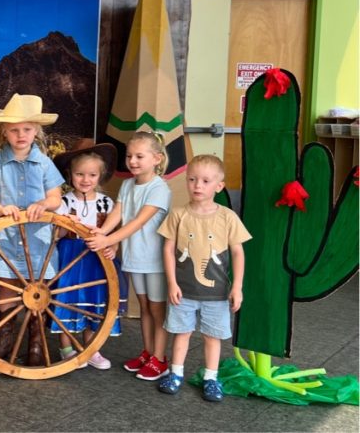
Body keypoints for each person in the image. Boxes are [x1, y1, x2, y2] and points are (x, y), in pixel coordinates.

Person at [0, 94, 64, 365]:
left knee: (38, 289)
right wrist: (0, 208)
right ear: (4, 131)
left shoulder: (45, 162)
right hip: (8, 237)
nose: (21, 135)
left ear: (36, 131)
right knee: (8, 285)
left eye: (27, 129)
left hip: (38, 238)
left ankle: (35, 344)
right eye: (14, 130)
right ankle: (4, 340)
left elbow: (56, 197)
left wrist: (43, 204)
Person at [157, 155, 248, 402]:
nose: (197, 185)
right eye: (192, 179)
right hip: (183, 291)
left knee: (212, 336)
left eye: (206, 181)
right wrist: (172, 283)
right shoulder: (178, 214)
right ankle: (175, 373)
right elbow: (168, 249)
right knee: (181, 333)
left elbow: (238, 252)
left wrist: (237, 287)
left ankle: (211, 378)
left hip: (216, 294)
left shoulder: (228, 217)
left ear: (219, 186)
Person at [86, 131, 172, 381]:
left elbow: (137, 222)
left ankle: (160, 359)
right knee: (144, 307)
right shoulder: (127, 185)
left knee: (157, 310)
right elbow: (119, 213)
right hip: (135, 257)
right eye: (129, 156)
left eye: (139, 156)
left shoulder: (159, 189)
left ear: (156, 158)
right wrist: (103, 231)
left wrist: (108, 240)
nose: (132, 161)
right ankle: (148, 352)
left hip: (155, 261)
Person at [49, 144, 121, 370]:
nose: (85, 180)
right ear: (70, 175)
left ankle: (91, 349)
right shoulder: (64, 202)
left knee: (93, 302)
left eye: (92, 175)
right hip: (70, 257)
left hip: (96, 260)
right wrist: (65, 225)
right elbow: (55, 236)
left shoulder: (106, 203)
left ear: (100, 175)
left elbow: (114, 231)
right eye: (80, 174)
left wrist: (114, 247)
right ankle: (67, 349)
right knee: (67, 300)